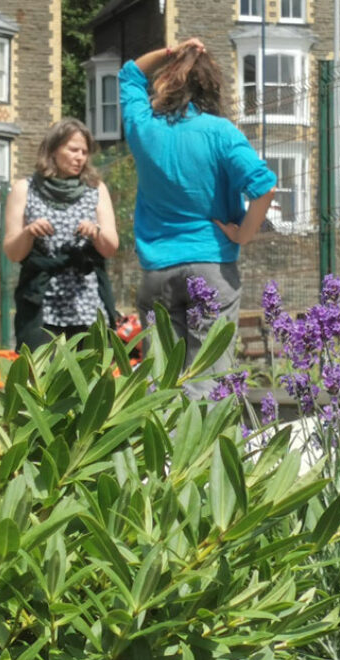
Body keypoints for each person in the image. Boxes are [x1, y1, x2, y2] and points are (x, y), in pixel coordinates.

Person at [119, 38, 276, 396]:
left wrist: (173, 51)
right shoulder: (221, 133)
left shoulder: (143, 127)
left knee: (160, 382)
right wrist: (243, 235)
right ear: (212, 87)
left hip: (157, 270)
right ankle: (209, 452)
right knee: (211, 381)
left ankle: (161, 452)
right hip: (211, 265)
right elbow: (264, 187)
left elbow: (129, 75)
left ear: (167, 83)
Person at [3, 118, 119, 350]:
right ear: (53, 149)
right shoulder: (24, 189)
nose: (80, 157)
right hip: (41, 303)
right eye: (73, 149)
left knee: (92, 380)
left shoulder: (96, 188)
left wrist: (95, 233)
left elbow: (111, 247)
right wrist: (29, 232)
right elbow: (13, 253)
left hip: (87, 302)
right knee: (44, 380)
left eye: (84, 152)